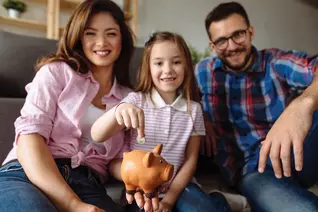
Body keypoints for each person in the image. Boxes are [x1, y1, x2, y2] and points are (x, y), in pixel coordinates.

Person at [0, 0, 135, 211]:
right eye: (90, 33)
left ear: (122, 40)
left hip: (87, 183)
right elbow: (29, 141)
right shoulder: (55, 72)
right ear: (79, 37)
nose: (101, 42)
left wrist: (139, 174)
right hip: (28, 172)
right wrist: (73, 205)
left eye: (111, 33)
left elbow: (120, 161)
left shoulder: (130, 98)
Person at [195, 1, 318, 212]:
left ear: (250, 32)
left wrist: (302, 104)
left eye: (238, 34)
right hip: (253, 171)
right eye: (222, 41)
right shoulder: (201, 73)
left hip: (296, 152)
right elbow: (174, 97)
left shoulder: (274, 62)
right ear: (212, 46)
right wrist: (200, 117)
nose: (232, 46)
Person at [91, 31, 232, 212]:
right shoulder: (135, 101)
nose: (168, 70)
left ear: (187, 66)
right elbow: (97, 134)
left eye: (176, 62)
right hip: (141, 190)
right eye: (159, 63)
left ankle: (216, 202)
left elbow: (190, 160)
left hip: (180, 188)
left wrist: (169, 200)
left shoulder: (194, 109)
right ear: (148, 67)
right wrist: (119, 110)